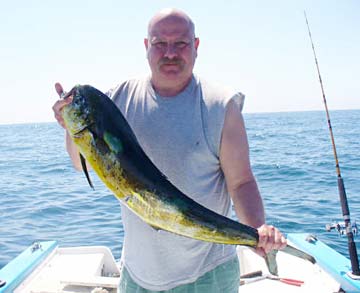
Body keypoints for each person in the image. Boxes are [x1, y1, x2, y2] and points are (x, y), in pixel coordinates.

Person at [52, 8, 287, 293]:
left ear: (196, 46)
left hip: (209, 277)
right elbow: (82, 162)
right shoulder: (117, 99)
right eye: (160, 43)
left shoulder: (221, 106)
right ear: (146, 47)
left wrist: (257, 231)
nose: (170, 53)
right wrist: (70, 125)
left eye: (181, 44)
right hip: (139, 275)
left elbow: (241, 182)